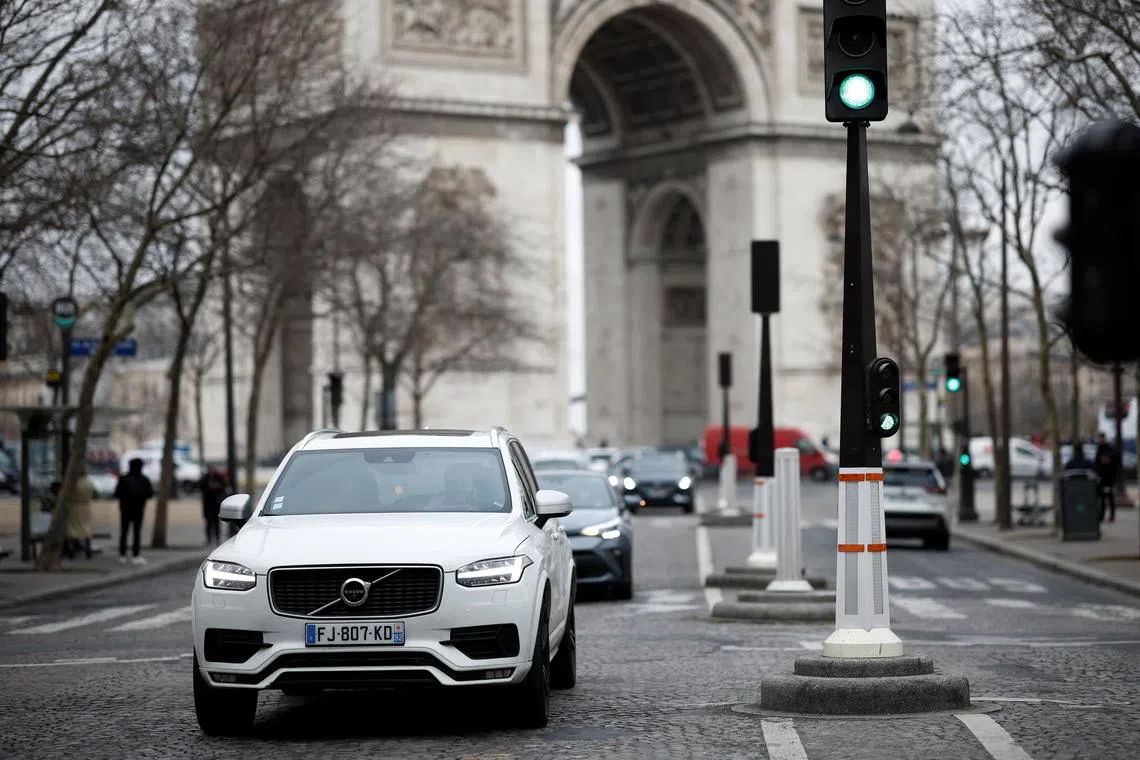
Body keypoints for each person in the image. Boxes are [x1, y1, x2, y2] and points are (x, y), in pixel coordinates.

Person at [114, 457, 154, 565]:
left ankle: (122, 555)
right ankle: (136, 555)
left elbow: (116, 493)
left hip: (125, 509)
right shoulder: (144, 480)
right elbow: (150, 494)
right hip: (138, 509)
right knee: (136, 532)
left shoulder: (123, 478)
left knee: (124, 532)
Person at [65, 463, 95, 560]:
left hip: (75, 507)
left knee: (74, 529)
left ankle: (73, 551)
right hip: (86, 507)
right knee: (86, 529)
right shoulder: (89, 482)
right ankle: (88, 551)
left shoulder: (74, 483)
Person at [1094, 432, 1119, 523]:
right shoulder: (1099, 449)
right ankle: (1101, 516)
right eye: (1099, 439)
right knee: (1102, 498)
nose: (1100, 440)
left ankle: (1111, 516)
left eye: (1101, 438)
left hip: (1109, 478)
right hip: (1101, 478)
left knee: (1110, 497)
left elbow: (1113, 461)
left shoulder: (1109, 449)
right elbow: (1097, 462)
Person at [199, 465, 227, 546]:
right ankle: (208, 539)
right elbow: (202, 487)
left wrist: (216, 487)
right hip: (208, 503)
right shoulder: (205, 477)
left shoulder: (219, 477)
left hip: (216, 503)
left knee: (216, 522)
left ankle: (217, 538)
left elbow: (223, 487)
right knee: (208, 522)